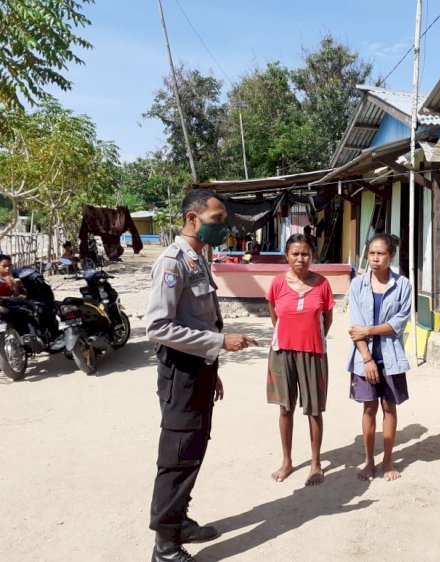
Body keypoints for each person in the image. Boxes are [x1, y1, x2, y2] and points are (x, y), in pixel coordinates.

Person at [145, 189, 259, 562]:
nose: (222, 227)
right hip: (181, 375)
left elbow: (195, 318)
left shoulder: (197, 258)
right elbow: (159, 327)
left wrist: (213, 362)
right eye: (216, 220)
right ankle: (164, 546)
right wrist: (219, 341)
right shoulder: (172, 262)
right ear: (193, 218)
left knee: (193, 451)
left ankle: (178, 522)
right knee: (177, 457)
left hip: (199, 370)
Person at [266, 233, 334, 486]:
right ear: (286, 256)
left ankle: (316, 464)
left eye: (305, 253)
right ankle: (287, 461)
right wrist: (291, 337)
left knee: (314, 410)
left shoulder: (322, 284)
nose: (300, 258)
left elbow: (327, 319)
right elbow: (275, 317)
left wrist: (311, 340)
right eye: (295, 253)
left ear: (312, 256)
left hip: (313, 353)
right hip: (283, 352)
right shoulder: (276, 284)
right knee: (285, 408)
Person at [347, 233, 411, 481]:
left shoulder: (403, 285)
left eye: (381, 253)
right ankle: (369, 461)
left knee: (389, 407)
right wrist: (366, 358)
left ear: (391, 255)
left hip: (391, 356)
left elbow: (398, 323)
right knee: (369, 408)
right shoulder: (357, 285)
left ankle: (388, 460)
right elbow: (355, 327)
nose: (375, 258)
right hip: (364, 357)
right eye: (371, 253)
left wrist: (370, 330)